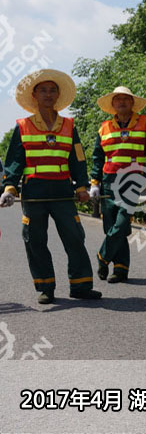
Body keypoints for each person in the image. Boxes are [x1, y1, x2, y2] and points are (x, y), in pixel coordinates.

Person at [0, 69, 102, 304]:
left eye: (52, 90)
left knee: (75, 237)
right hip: (34, 192)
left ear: (58, 95)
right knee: (35, 240)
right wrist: (9, 189)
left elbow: (78, 159)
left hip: (62, 192)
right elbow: (14, 161)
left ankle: (81, 286)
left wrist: (82, 187)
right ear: (34, 95)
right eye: (43, 90)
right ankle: (46, 287)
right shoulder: (23, 126)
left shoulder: (69, 125)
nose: (48, 94)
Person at [90, 86, 146, 283]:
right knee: (111, 225)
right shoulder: (104, 128)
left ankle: (102, 256)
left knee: (121, 224)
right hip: (109, 181)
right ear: (113, 104)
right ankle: (120, 269)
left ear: (132, 103)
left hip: (132, 180)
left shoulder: (145, 122)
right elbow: (97, 157)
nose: (122, 102)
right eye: (118, 99)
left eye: (125, 99)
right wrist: (94, 182)